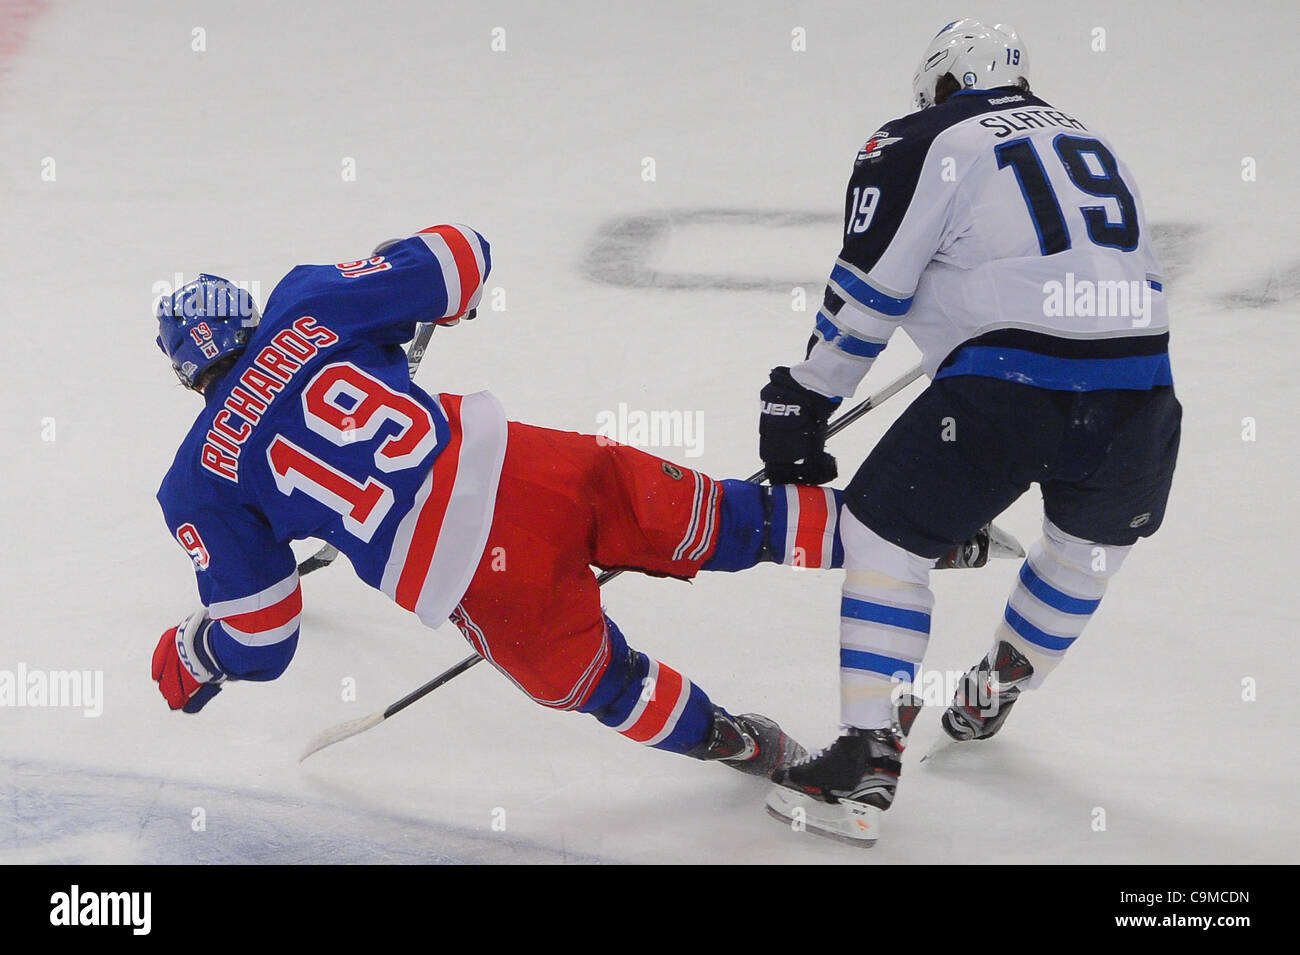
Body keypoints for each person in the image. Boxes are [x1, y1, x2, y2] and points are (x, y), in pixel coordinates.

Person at [151, 225, 992, 788]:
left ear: (187, 372)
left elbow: (261, 635)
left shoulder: (197, 479)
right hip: (536, 469)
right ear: (248, 312)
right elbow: (461, 253)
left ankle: (737, 738)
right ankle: (918, 533)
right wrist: (391, 285)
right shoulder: (308, 300)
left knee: (603, 681)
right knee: (738, 518)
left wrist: (195, 653)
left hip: (480, 582)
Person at [756, 20, 1182, 844]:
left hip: (1009, 393)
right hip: (1142, 392)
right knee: (1085, 549)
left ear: (942, 85)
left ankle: (864, 762)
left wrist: (806, 399)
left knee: (882, 533)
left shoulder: (918, 137)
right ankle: (999, 681)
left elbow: (872, 284)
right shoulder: (1094, 140)